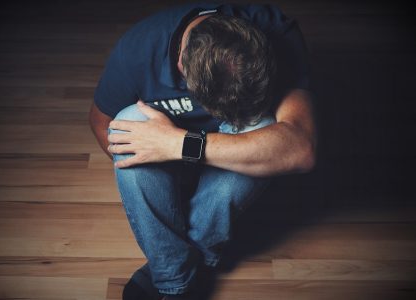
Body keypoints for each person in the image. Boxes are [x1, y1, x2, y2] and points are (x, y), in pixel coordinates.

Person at [89, 3, 317, 299]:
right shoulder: (139, 49)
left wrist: (178, 145)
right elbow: (100, 122)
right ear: (182, 68)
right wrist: (165, 179)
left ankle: (181, 267)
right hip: (172, 151)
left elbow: (301, 149)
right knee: (128, 122)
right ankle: (176, 273)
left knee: (264, 126)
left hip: (201, 151)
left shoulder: (279, 33)